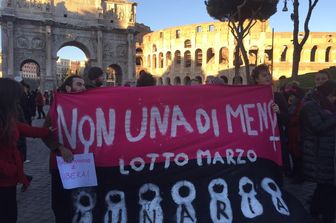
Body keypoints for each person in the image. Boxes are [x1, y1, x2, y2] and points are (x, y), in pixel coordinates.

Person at [0, 78, 53, 223]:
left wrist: (47, 131)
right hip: (4, 178)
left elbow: (23, 128)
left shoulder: (7, 115)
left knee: (10, 214)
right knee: (7, 215)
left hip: (8, 180)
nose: (19, 99)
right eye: (16, 96)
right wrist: (10, 169)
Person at [43, 75, 85, 223]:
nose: (83, 88)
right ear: (68, 87)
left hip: (84, 163)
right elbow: (45, 134)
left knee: (81, 201)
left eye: (83, 85)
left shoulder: (89, 105)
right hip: (61, 162)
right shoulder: (57, 106)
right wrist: (60, 147)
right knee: (61, 203)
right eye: (79, 84)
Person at [300, 80, 336, 223]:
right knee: (328, 186)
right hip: (316, 152)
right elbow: (318, 126)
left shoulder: (325, 105)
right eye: (333, 97)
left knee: (325, 185)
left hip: (326, 151)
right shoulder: (310, 106)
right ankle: (327, 216)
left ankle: (315, 210)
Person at [251, 64, 290, 178]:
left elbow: (287, 119)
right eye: (264, 75)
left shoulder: (278, 96)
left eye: (268, 74)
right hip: (260, 139)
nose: (268, 77)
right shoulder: (251, 97)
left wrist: (279, 112)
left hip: (275, 138)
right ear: (257, 79)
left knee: (276, 171)